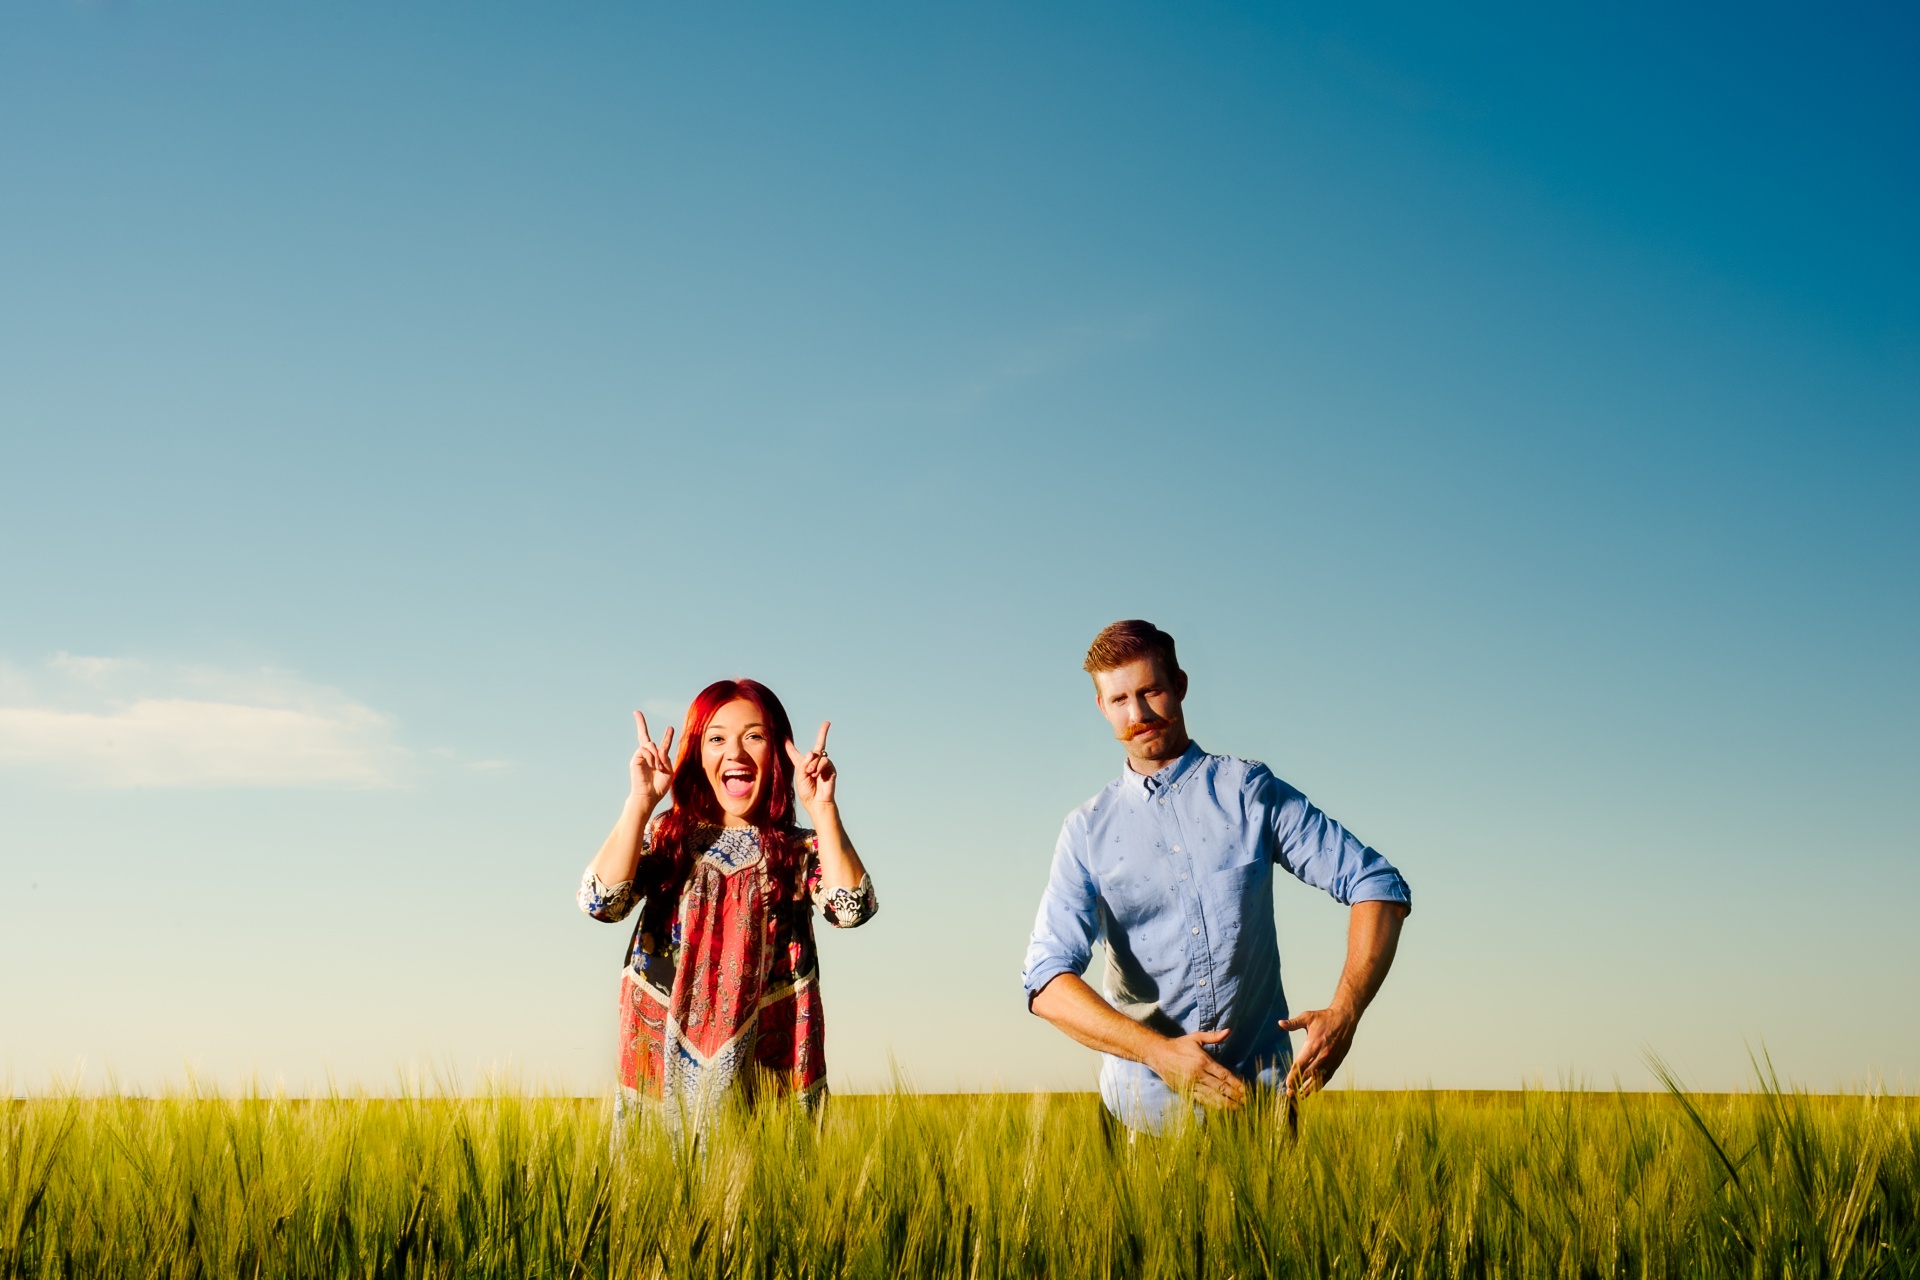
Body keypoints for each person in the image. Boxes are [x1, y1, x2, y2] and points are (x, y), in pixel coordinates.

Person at [1022, 620, 1411, 1133]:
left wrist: (1346, 1011)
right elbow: (1045, 980)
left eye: (1150, 691)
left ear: (1180, 685)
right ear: (1101, 707)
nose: (1136, 714)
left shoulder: (1250, 791)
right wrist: (1155, 1052)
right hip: (1142, 1122)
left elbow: (1377, 885)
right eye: (1118, 700)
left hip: (1262, 1113)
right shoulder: (1086, 831)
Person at [578, 678, 876, 1133]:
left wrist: (824, 809)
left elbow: (851, 909)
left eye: (754, 736)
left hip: (769, 1056)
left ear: (777, 752)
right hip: (662, 1051)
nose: (734, 752)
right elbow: (600, 902)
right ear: (697, 754)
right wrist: (640, 801)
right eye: (716, 738)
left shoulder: (800, 850)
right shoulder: (666, 838)